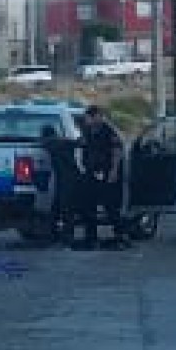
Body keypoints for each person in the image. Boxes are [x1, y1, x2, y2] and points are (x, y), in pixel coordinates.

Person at [75, 105, 129, 251]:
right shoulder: (87, 131)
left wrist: (114, 171)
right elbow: (81, 146)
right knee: (88, 206)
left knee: (111, 207)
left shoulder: (108, 131)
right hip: (92, 173)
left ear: (97, 116)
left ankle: (120, 237)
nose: (87, 120)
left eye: (90, 117)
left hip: (108, 173)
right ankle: (91, 238)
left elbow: (117, 151)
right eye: (87, 118)